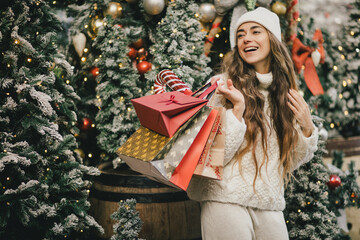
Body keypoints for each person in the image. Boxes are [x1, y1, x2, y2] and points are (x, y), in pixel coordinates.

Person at [186, 7, 319, 240]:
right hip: (224, 200)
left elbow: (289, 160)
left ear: (272, 39)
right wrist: (237, 112)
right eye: (240, 35)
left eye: (255, 31)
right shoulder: (221, 86)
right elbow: (209, 159)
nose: (246, 38)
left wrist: (307, 128)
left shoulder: (285, 92)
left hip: (269, 202)